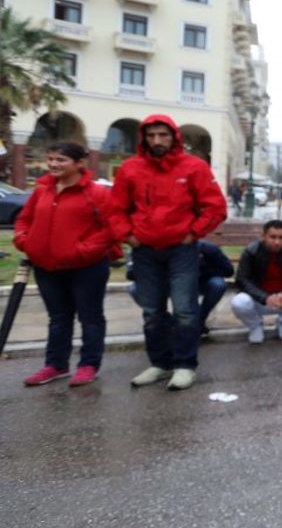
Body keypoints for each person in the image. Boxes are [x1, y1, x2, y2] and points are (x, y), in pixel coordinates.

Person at [110, 115, 226, 392]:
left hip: (181, 250)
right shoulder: (130, 169)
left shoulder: (194, 167)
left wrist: (193, 233)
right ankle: (159, 364)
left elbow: (215, 207)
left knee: (185, 310)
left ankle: (185, 365)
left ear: (174, 136)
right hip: (145, 251)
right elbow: (115, 209)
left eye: (162, 135)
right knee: (152, 312)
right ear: (143, 138)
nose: (157, 141)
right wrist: (127, 236)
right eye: (151, 136)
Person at [14, 142, 116, 387]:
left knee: (90, 318)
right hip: (47, 267)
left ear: (79, 164)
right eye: (51, 159)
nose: (53, 164)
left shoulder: (98, 193)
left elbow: (110, 228)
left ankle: (89, 365)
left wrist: (83, 251)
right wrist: (25, 241)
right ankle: (56, 365)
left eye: (61, 160)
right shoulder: (42, 190)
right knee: (58, 318)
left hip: (87, 267)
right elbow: (24, 219)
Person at [128, 240, 233, 336]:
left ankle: (199, 318)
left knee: (218, 284)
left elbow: (228, 270)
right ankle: (165, 319)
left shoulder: (207, 248)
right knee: (134, 288)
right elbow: (130, 275)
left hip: (199, 282)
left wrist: (201, 272)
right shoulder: (146, 249)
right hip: (164, 283)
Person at [231, 219, 282, 343]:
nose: (277, 242)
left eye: (281, 237)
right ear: (263, 236)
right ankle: (255, 326)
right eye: (272, 237)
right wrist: (264, 297)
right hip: (259, 300)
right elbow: (242, 279)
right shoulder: (251, 251)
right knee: (239, 302)